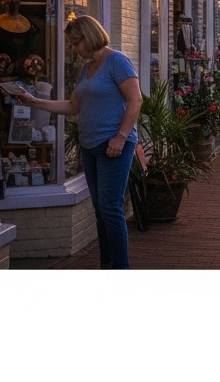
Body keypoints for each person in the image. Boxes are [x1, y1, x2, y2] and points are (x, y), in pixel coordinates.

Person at [17, 15, 142, 268]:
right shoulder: (86, 69)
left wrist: (120, 137)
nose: (73, 49)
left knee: (111, 208)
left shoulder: (117, 61)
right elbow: (73, 106)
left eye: (75, 43)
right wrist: (34, 101)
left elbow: (136, 100)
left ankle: (120, 268)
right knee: (100, 211)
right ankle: (106, 266)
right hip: (91, 146)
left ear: (88, 37)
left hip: (113, 146)